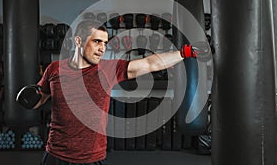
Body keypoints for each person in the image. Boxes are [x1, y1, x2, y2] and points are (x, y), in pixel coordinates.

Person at [16, 20, 196, 165]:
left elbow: (150, 63)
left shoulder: (108, 69)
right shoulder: (54, 69)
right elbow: (42, 98)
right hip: (56, 154)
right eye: (96, 42)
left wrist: (184, 52)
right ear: (78, 40)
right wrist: (31, 98)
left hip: (91, 157)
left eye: (104, 42)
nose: (102, 48)